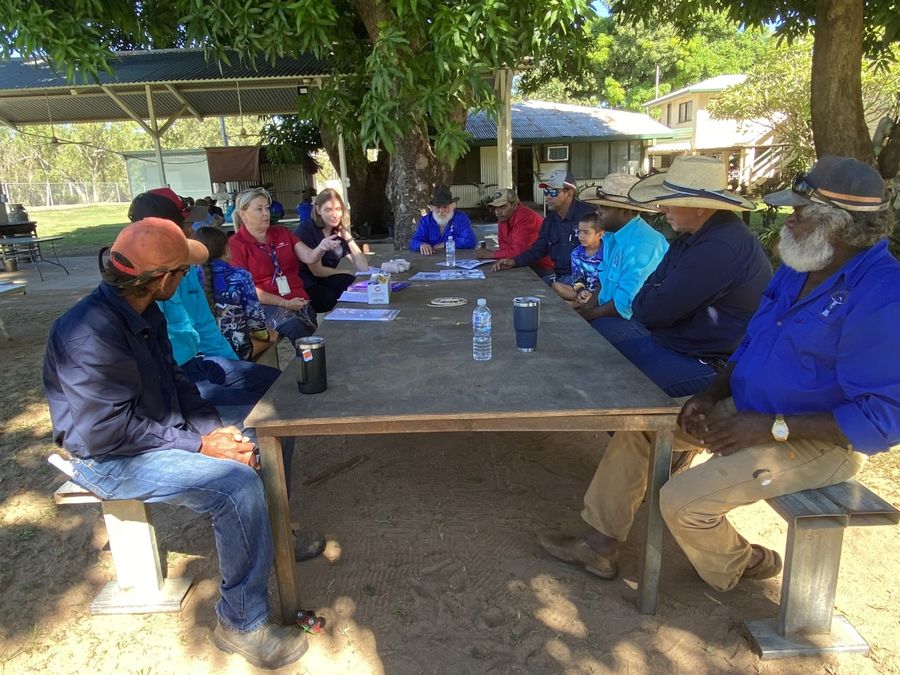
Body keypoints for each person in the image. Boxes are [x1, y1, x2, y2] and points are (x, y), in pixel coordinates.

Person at [538, 155, 900, 593]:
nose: (787, 223)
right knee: (644, 427)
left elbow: (884, 420)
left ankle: (744, 562)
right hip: (748, 410)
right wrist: (709, 396)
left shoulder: (882, 295)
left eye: (799, 214)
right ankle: (598, 543)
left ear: (838, 225)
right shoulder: (800, 269)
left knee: (681, 502)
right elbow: (749, 346)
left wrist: (772, 429)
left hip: (817, 440)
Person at [42, 218, 310, 669]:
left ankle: (275, 534)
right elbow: (105, 432)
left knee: (270, 432)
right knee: (235, 485)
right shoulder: (88, 333)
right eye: (184, 272)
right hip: (108, 457)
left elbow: (177, 381)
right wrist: (200, 446)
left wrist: (211, 431)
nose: (189, 279)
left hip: (149, 432)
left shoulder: (143, 310)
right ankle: (241, 623)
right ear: (162, 278)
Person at [591, 156, 772, 397]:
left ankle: (648, 433)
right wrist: (656, 297)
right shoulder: (693, 236)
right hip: (673, 345)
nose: (662, 208)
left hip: (707, 362)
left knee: (614, 391)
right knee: (596, 359)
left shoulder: (720, 246)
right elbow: (645, 300)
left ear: (700, 206)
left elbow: (655, 311)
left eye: (671, 201)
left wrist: (655, 297)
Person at [127, 189, 281, 409]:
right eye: (187, 224)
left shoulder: (186, 268)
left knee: (277, 385)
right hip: (172, 378)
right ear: (163, 229)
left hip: (199, 362)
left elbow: (205, 325)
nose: (192, 232)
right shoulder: (140, 283)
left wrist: (234, 364)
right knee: (262, 414)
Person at [227, 187, 342, 350]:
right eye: (259, 209)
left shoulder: (281, 233)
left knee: (312, 336)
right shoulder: (236, 244)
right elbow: (249, 290)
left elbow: (309, 256)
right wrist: (285, 303)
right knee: (301, 335)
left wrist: (321, 247)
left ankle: (311, 367)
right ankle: (312, 370)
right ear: (243, 213)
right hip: (267, 305)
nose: (266, 213)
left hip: (298, 299)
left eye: (267, 207)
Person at [575, 174, 669, 321]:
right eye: (598, 206)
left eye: (605, 207)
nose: (597, 211)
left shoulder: (643, 244)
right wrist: (587, 308)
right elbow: (604, 282)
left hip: (631, 321)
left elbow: (625, 303)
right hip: (609, 312)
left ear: (626, 212)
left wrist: (585, 317)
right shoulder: (611, 237)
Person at [492, 169, 596, 284]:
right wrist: (514, 261)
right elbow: (538, 250)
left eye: (553, 192)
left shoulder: (589, 216)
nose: (548, 197)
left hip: (586, 279)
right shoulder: (550, 221)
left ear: (569, 193)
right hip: (559, 276)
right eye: (546, 191)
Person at [195, 226, 277, 361]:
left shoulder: (190, 278)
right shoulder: (240, 276)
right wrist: (268, 335)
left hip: (201, 350)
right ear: (226, 250)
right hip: (236, 348)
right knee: (273, 336)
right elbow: (255, 319)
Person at [294, 188, 369, 313]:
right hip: (308, 284)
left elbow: (363, 267)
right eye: (328, 210)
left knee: (357, 287)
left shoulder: (336, 231)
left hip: (326, 280)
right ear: (318, 210)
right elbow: (317, 271)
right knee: (344, 291)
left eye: (338, 209)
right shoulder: (307, 229)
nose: (334, 215)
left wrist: (347, 236)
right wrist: (348, 271)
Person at [475, 188, 552, 274]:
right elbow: (503, 246)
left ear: (515, 205)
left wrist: (492, 254)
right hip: (523, 264)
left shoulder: (526, 218)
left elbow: (519, 252)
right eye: (495, 208)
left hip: (543, 268)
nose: (498, 212)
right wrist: (503, 254)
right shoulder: (504, 218)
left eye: (503, 207)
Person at [551, 212, 604, 307]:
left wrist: (593, 295)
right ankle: (581, 303)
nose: (581, 236)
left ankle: (577, 305)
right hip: (583, 291)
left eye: (586, 232)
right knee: (556, 286)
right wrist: (581, 291)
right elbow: (577, 278)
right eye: (579, 231)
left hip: (601, 293)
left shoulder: (607, 252)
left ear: (600, 234)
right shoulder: (576, 253)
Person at [409, 184, 477, 254]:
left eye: (445, 207)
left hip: (455, 260)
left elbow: (471, 241)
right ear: (432, 207)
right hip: (431, 261)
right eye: (438, 207)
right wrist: (421, 245)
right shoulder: (426, 221)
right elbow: (413, 242)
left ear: (453, 206)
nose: (441, 211)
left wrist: (445, 244)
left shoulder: (461, 218)